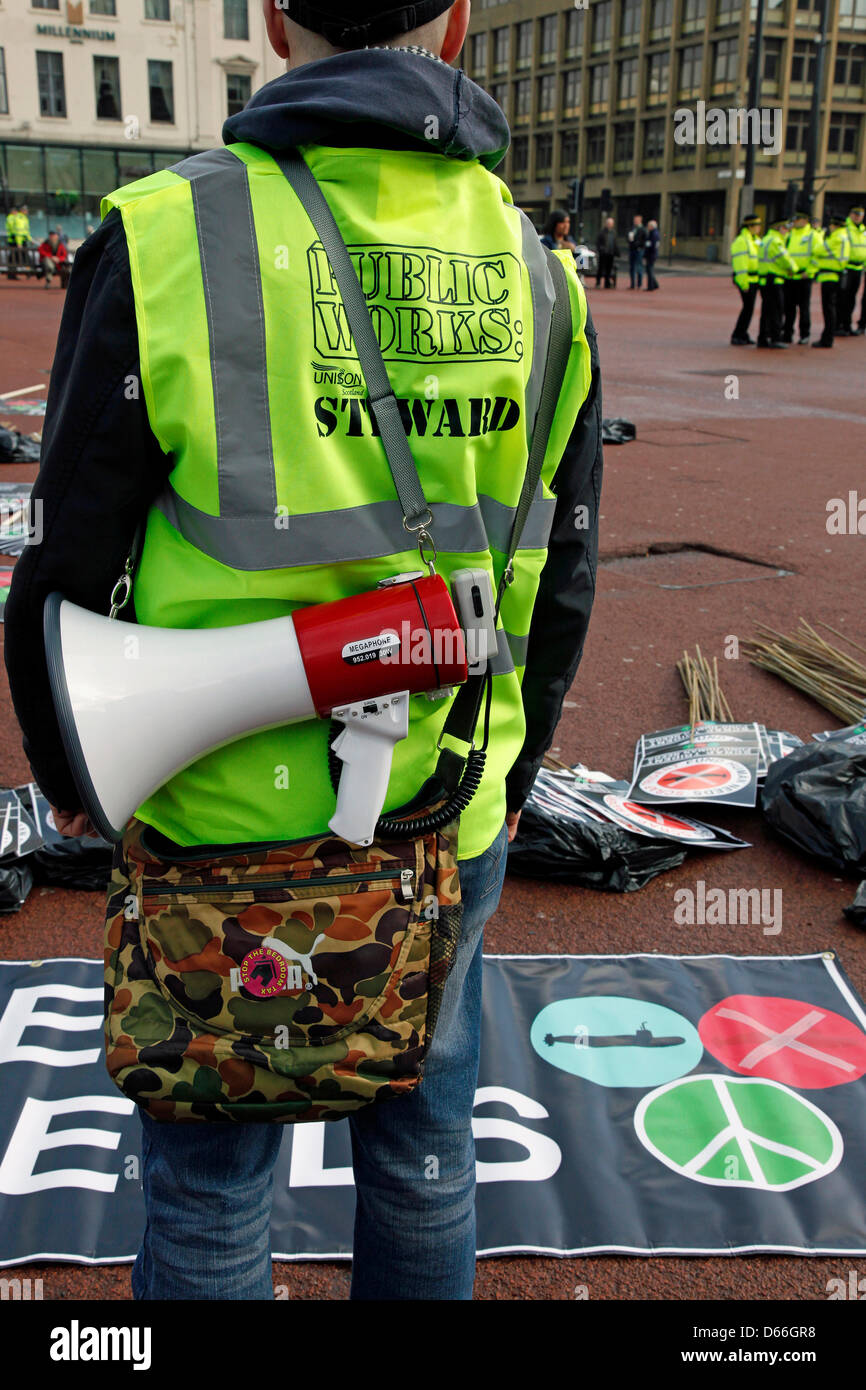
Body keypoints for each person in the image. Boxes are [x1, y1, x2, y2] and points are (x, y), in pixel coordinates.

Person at [4, 0, 602, 1302]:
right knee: (425, 1150)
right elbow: (562, 577)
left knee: (214, 1194)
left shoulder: (167, 231)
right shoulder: (540, 267)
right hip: (451, 811)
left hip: (216, 807)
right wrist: (506, 759)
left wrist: (67, 762)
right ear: (452, 22)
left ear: (273, 19)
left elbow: (64, 550)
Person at [812, 211, 851, 348]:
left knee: (828, 308)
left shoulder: (836, 238)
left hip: (830, 275)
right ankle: (828, 336)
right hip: (836, 275)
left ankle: (827, 338)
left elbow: (818, 250)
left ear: (834, 225)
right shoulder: (844, 237)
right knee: (831, 307)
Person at [756, 215, 796, 347]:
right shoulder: (776, 241)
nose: (787, 231)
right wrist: (794, 269)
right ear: (779, 228)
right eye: (785, 228)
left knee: (766, 310)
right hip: (774, 279)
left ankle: (763, 337)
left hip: (765, 279)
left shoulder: (766, 239)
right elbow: (785, 260)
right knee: (777, 310)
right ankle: (775, 338)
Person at [782, 209, 817, 345]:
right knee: (788, 307)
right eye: (794, 220)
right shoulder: (789, 235)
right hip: (790, 276)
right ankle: (787, 333)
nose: (795, 222)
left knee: (804, 307)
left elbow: (817, 256)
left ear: (805, 220)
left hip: (804, 277)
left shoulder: (812, 235)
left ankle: (804, 334)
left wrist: (809, 271)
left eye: (798, 219)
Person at [729, 213, 761, 344]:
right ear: (751, 226)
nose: (759, 228)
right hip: (747, 279)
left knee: (749, 308)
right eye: (757, 225)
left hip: (754, 279)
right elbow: (740, 264)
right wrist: (743, 283)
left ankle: (743, 333)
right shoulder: (742, 241)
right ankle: (737, 335)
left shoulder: (754, 240)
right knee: (747, 308)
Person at [838, 205, 866, 335]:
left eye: (860, 215)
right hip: (847, 268)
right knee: (843, 297)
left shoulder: (863, 230)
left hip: (858, 268)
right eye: (855, 214)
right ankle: (839, 325)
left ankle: (847, 325)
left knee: (852, 298)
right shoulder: (846, 228)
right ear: (850, 214)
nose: (858, 217)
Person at [595, 215, 617, 287]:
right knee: (601, 268)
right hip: (603, 253)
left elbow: (615, 242)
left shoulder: (613, 232)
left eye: (611, 224)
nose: (609, 225)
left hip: (611, 253)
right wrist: (601, 249)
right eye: (608, 223)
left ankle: (607, 283)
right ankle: (598, 282)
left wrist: (615, 251)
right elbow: (598, 242)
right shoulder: (602, 232)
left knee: (609, 269)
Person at [627, 213, 646, 290]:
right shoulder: (632, 229)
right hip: (632, 250)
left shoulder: (643, 229)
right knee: (632, 267)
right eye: (634, 220)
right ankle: (632, 284)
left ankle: (639, 284)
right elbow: (628, 237)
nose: (635, 221)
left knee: (639, 266)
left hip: (639, 250)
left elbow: (645, 240)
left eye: (636, 220)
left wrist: (639, 245)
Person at [644, 219, 660, 290]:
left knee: (649, 270)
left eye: (648, 226)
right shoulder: (654, 233)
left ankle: (650, 286)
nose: (647, 227)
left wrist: (646, 253)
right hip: (652, 254)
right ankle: (655, 284)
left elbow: (651, 245)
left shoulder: (653, 234)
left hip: (651, 254)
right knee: (649, 269)